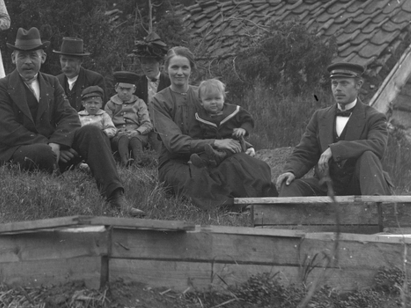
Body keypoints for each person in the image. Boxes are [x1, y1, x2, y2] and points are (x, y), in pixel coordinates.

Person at [0, 27, 144, 217]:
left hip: (54, 148)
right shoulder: (1, 88)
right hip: (16, 151)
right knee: (43, 152)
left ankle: (115, 197)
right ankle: (54, 179)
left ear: (43, 57)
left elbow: (69, 116)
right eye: (22, 56)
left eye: (33, 56)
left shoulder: (51, 83)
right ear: (13, 58)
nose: (28, 61)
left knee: (92, 132)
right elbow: (7, 130)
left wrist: (58, 143)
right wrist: (50, 145)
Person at [150, 47, 276, 210]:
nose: (179, 72)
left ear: (191, 69)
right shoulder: (159, 101)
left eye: (184, 67)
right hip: (175, 161)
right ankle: (234, 205)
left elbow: (224, 123)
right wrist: (216, 142)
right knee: (198, 182)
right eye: (174, 67)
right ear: (165, 69)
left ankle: (259, 202)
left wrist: (245, 144)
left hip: (211, 156)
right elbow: (174, 143)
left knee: (249, 165)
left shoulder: (204, 94)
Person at [274, 59, 393, 197]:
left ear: (358, 85)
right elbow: (305, 151)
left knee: (368, 155)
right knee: (289, 185)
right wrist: (291, 171)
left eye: (344, 83)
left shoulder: (374, 117)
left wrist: (336, 149)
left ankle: (376, 209)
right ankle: (292, 212)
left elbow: (378, 145)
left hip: (358, 186)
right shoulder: (320, 116)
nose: (338, 89)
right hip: (326, 186)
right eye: (334, 83)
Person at [189, 78, 256, 155]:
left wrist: (243, 129)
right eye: (208, 99)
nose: (213, 102)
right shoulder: (199, 117)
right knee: (205, 153)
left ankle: (219, 156)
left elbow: (248, 120)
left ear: (223, 98)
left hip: (234, 145)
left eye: (217, 98)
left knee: (232, 148)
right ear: (201, 102)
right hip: (212, 146)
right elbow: (195, 137)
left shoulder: (234, 111)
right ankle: (203, 159)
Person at [105, 71, 152, 165]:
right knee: (122, 139)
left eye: (128, 89)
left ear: (134, 89)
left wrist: (137, 131)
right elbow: (107, 124)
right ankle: (125, 161)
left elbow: (147, 123)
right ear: (116, 88)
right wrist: (117, 132)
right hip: (118, 134)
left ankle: (139, 161)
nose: (125, 92)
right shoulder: (110, 104)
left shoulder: (139, 103)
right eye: (122, 89)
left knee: (135, 140)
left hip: (137, 133)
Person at [55, 37, 111, 112]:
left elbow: (101, 111)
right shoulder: (55, 81)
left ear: (80, 61)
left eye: (71, 60)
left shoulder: (94, 80)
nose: (67, 65)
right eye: (64, 60)